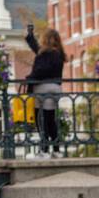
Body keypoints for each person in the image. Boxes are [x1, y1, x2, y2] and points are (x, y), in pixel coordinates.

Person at [25, 24, 65, 159]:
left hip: (43, 88)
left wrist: (30, 78)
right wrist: (30, 36)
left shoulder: (45, 54)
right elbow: (36, 48)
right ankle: (57, 149)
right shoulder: (58, 53)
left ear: (45, 39)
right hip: (56, 88)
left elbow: (42, 70)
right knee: (51, 119)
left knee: (41, 119)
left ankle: (44, 150)